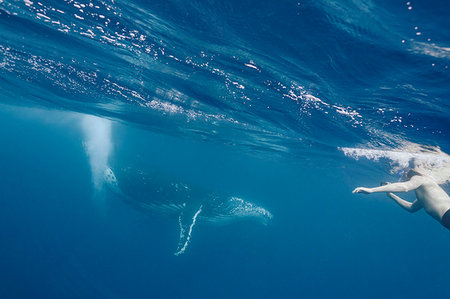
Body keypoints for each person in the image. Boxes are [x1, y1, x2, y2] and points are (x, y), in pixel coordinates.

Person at [353, 169, 450, 230]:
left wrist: (371, 190)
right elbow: (411, 208)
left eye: (401, 174)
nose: (401, 178)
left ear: (407, 174)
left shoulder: (419, 178)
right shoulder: (423, 193)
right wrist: (391, 195)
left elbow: (404, 187)